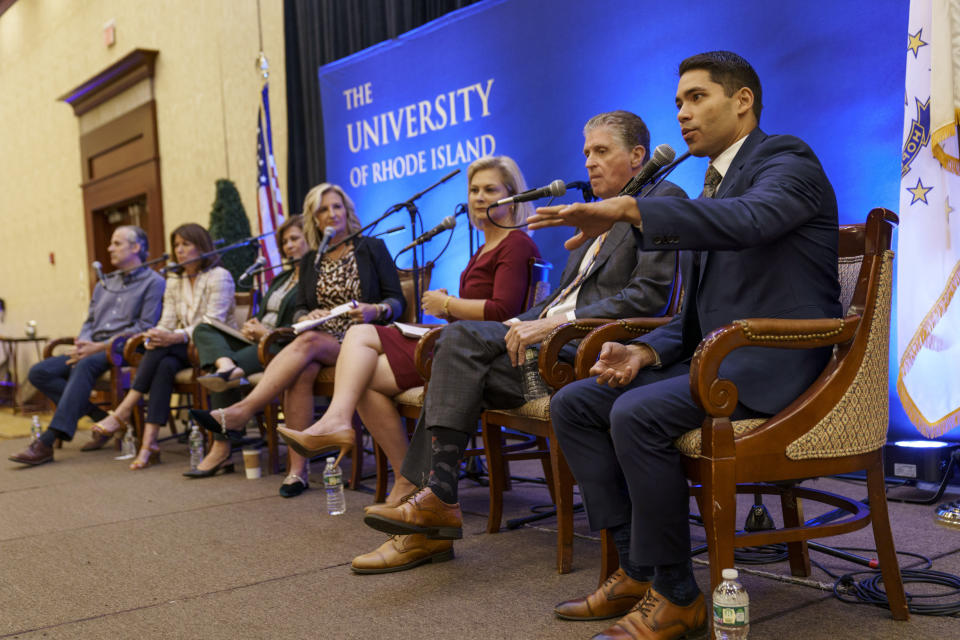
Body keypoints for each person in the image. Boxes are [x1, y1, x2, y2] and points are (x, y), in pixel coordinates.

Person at [529, 52, 842, 640]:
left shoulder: (786, 158)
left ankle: (677, 595)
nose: (682, 113)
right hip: (721, 356)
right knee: (578, 402)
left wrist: (629, 207)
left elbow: (750, 221)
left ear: (743, 100)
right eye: (678, 102)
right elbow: (701, 314)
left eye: (697, 97)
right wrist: (644, 351)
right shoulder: (708, 189)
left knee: (636, 412)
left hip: (776, 363)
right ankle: (636, 568)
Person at [354, 110, 686, 574]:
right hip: (545, 353)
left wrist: (546, 326)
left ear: (637, 157)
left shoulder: (661, 200)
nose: (589, 162)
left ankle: (427, 510)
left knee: (458, 345)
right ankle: (433, 506)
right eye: (586, 151)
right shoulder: (596, 216)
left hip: (587, 355)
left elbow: (646, 296)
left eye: (602, 151)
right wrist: (521, 324)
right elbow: (555, 302)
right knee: (458, 356)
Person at [279, 156, 541, 507]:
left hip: (479, 354)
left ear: (511, 195)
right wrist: (450, 306)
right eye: (474, 190)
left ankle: (345, 427)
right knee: (363, 376)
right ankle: (407, 478)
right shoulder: (485, 246)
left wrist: (447, 305)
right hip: (460, 342)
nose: (479, 197)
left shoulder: (515, 243)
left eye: (490, 189)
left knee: (361, 334)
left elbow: (504, 312)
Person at [189, 183, 404, 497]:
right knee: (301, 370)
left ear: (347, 210)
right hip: (325, 339)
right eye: (323, 210)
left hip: (364, 341)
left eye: (336, 207)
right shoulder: (312, 260)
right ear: (314, 220)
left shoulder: (371, 248)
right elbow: (302, 304)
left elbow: (398, 301)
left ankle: (241, 411)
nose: (331, 214)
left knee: (306, 344)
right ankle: (297, 472)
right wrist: (305, 316)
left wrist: (376, 309)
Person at [8, 226, 165, 466]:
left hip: (124, 350)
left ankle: (47, 441)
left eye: (117, 243)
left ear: (136, 248)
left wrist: (98, 347)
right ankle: (100, 417)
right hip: (92, 347)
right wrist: (82, 343)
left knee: (85, 365)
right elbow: (90, 321)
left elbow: (144, 326)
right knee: (40, 372)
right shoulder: (104, 283)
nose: (109, 248)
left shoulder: (154, 282)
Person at [88, 223, 237, 471]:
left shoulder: (219, 276)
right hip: (183, 350)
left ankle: (123, 412)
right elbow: (166, 322)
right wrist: (156, 335)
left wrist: (172, 337)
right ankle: (149, 445)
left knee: (162, 350)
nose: (179, 250)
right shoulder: (174, 279)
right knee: (163, 364)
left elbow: (213, 323)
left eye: (186, 244)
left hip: (216, 347)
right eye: (176, 245)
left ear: (202, 246)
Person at [184, 215, 310, 478]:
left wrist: (267, 332)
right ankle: (227, 365)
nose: (288, 246)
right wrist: (254, 326)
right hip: (259, 340)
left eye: (295, 239)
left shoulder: (313, 278)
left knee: (221, 378)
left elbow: (304, 327)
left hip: (282, 346)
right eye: (284, 241)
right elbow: (266, 314)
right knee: (204, 328)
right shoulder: (280, 278)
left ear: (310, 238)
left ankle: (221, 447)